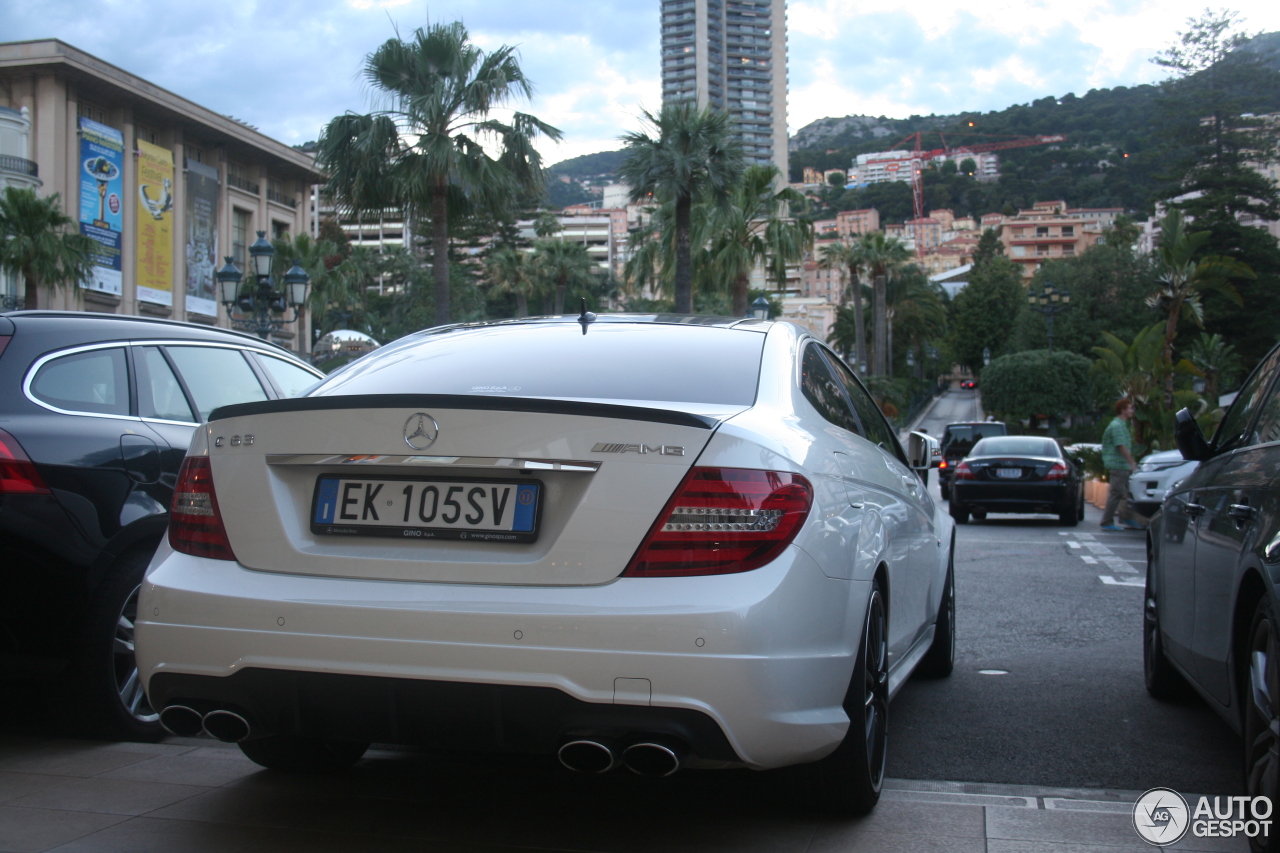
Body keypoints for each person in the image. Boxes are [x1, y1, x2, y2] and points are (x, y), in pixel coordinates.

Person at [1100, 398, 1143, 531]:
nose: (1132, 411)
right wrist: (1131, 462)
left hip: (1122, 465)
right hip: (1118, 465)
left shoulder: (1121, 425)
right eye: (1130, 408)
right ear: (1123, 410)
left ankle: (1126, 517)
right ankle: (1107, 521)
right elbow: (1121, 446)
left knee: (1127, 493)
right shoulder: (1117, 426)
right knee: (1116, 493)